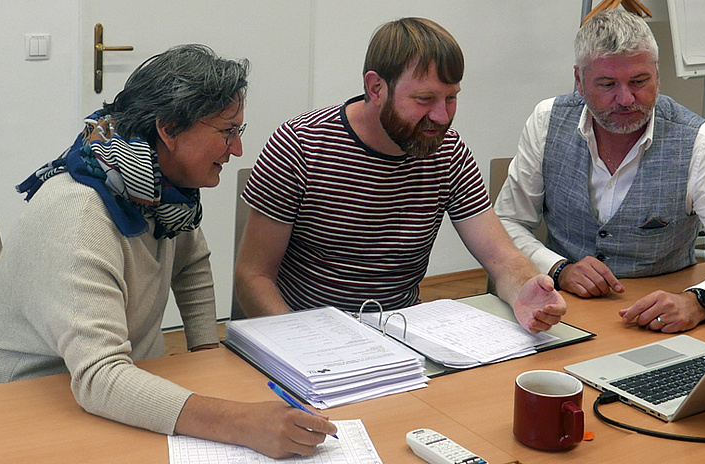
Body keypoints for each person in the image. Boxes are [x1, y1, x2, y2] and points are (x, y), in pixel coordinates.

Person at [0, 44, 336, 458]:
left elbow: (191, 263)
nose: (237, 149)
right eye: (227, 132)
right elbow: (100, 378)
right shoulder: (79, 215)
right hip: (17, 414)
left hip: (116, 394)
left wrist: (205, 354)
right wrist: (240, 422)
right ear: (169, 130)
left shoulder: (161, 193)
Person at [234, 17, 566, 333]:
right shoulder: (300, 146)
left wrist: (526, 287)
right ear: (376, 88)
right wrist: (298, 344)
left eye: (451, 98)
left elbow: (501, 257)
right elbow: (253, 277)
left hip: (400, 334)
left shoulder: (448, 152)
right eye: (425, 99)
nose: (441, 116)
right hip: (306, 332)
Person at [494, 9, 705, 333]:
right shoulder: (547, 121)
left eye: (639, 81)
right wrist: (559, 268)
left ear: (657, 74)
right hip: (560, 312)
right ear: (579, 81)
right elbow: (506, 223)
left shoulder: (697, 141)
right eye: (607, 84)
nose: (626, 99)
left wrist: (698, 302)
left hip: (660, 319)